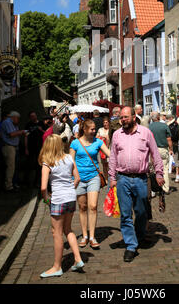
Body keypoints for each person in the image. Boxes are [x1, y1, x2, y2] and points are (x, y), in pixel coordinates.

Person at [109, 107, 164, 263]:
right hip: (123, 179)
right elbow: (113, 157)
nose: (123, 120)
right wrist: (112, 177)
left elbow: (155, 154)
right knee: (126, 214)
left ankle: (139, 236)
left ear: (134, 117)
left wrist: (159, 173)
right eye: (121, 118)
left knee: (141, 212)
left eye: (126, 117)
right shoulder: (117, 135)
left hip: (141, 179)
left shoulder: (145, 133)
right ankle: (131, 246)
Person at [39, 134, 84, 277]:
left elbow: (43, 188)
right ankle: (78, 258)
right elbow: (77, 178)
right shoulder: (69, 158)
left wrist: (46, 200)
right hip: (71, 197)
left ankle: (57, 266)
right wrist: (70, 188)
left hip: (58, 199)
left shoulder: (48, 162)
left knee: (56, 233)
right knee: (68, 229)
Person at [70, 119, 110, 249]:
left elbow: (110, 154)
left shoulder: (98, 142)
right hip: (79, 178)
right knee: (82, 207)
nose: (94, 131)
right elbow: (71, 161)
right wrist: (75, 176)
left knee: (92, 206)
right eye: (92, 129)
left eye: (94, 129)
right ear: (85, 129)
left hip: (94, 177)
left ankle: (92, 236)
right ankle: (84, 235)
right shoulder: (75, 143)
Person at [0, 111, 28, 192]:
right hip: (8, 147)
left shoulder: (13, 124)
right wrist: (22, 132)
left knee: (13, 167)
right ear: (14, 117)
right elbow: (11, 134)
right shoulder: (7, 122)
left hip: (14, 147)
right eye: (18, 118)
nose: (18, 120)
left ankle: (12, 184)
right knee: (10, 167)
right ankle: (8, 186)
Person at [149, 112, 173, 194]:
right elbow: (169, 139)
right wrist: (171, 149)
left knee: (153, 169)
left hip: (152, 149)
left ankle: (154, 189)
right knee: (165, 168)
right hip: (163, 149)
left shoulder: (149, 127)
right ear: (158, 117)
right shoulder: (164, 126)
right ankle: (165, 188)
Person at [24, 111, 45, 187]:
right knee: (29, 165)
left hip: (39, 147)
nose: (33, 117)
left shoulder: (41, 124)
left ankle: (37, 182)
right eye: (32, 116)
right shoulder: (28, 125)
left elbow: (46, 134)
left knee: (38, 165)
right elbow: (26, 136)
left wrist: (41, 130)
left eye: (34, 115)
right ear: (30, 117)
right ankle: (27, 182)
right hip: (30, 147)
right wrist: (26, 148)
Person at [97, 117, 110, 181]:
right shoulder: (100, 129)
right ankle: (106, 178)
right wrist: (101, 137)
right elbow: (96, 137)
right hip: (102, 151)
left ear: (109, 123)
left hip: (109, 149)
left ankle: (111, 178)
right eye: (104, 122)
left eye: (106, 122)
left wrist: (107, 138)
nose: (105, 124)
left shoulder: (110, 130)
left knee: (109, 165)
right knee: (104, 165)